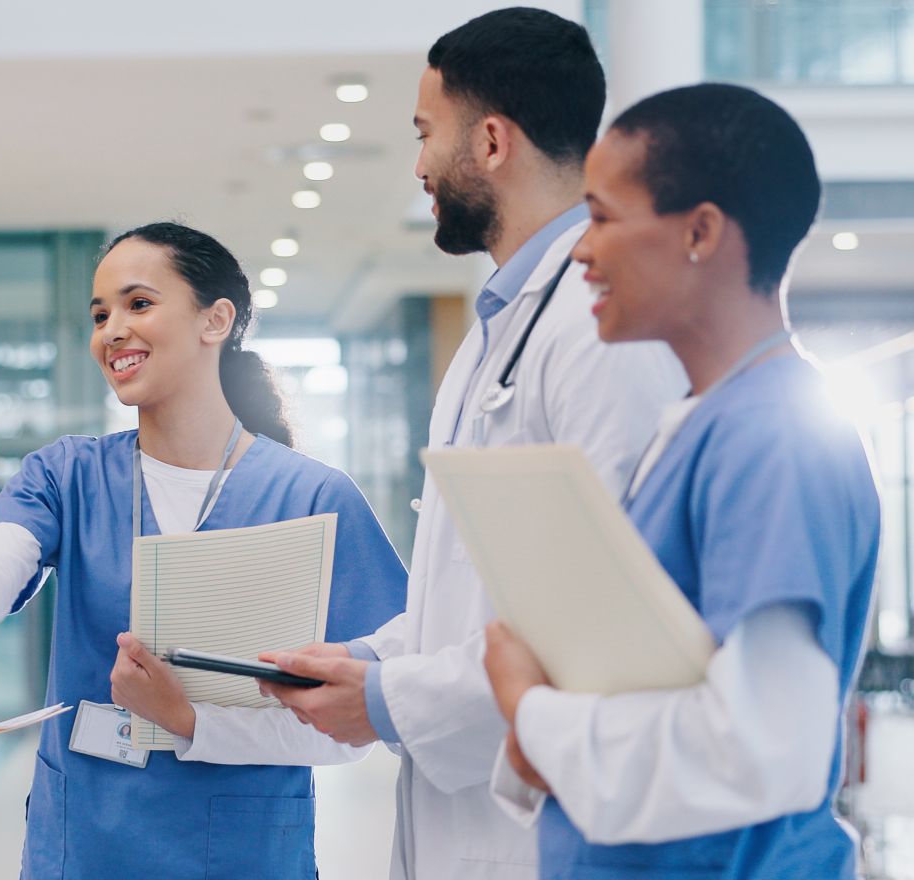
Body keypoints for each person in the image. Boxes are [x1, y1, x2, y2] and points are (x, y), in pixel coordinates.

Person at [259, 9, 686, 879]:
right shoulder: (500, 327)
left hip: (545, 832)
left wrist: (385, 700)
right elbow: (472, 590)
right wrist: (367, 659)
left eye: (426, 135)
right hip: (470, 819)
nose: (417, 166)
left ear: (491, 141)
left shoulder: (602, 332)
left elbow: (594, 621)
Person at [0, 221, 408, 879]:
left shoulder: (314, 496)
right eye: (99, 314)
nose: (112, 330)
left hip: (242, 850)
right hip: (88, 843)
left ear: (216, 321)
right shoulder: (69, 475)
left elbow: (361, 717)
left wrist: (189, 721)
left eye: (138, 304)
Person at [482, 83, 879, 879]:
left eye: (601, 217)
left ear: (700, 231)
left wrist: (534, 711)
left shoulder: (773, 438)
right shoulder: (709, 423)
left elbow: (763, 753)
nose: (580, 253)